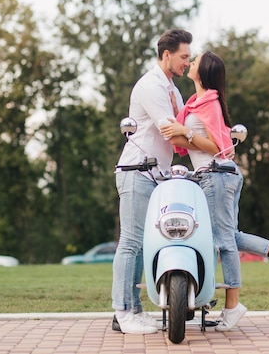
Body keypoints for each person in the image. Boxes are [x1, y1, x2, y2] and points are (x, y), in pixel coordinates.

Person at [160, 51, 269, 332]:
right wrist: (178, 126)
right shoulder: (195, 103)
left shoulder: (209, 103)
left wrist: (185, 133)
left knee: (224, 241)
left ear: (204, 72)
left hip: (217, 175)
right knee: (230, 236)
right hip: (213, 176)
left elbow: (220, 147)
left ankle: (233, 306)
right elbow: (178, 137)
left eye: (196, 59)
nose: (191, 61)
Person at [111, 29, 193, 334]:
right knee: (130, 243)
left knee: (144, 245)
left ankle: (134, 309)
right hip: (136, 170)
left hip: (156, 176)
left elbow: (180, 138)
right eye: (184, 56)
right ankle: (122, 311)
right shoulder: (151, 86)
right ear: (167, 54)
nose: (188, 62)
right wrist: (202, 137)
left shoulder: (173, 89)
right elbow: (171, 129)